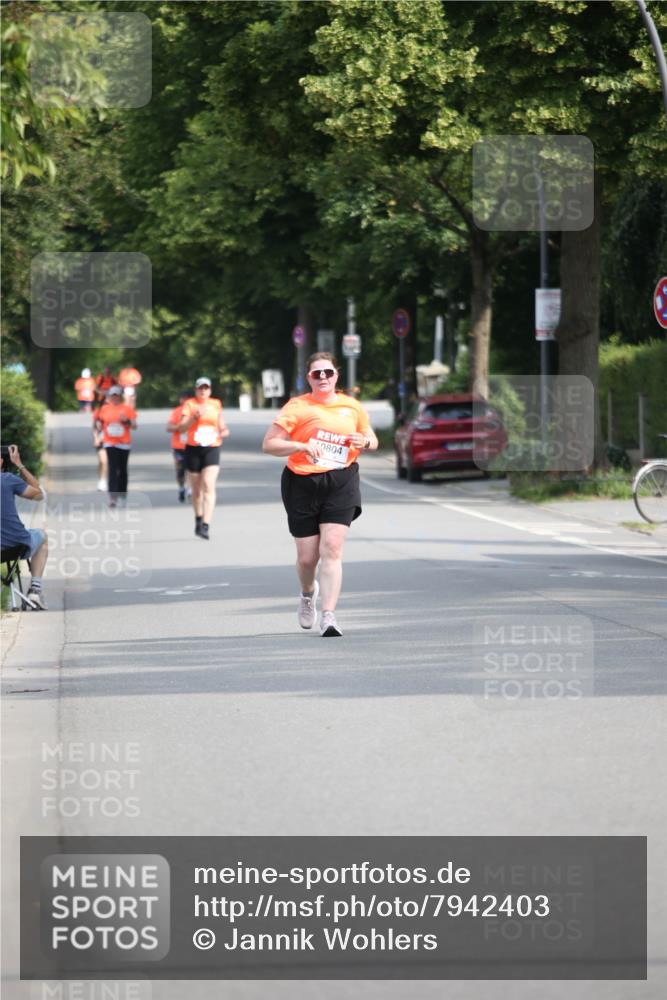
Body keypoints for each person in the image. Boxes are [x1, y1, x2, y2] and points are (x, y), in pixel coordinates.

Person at [262, 352, 378, 637]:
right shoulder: (297, 407)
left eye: (328, 372)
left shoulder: (352, 407)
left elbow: (371, 439)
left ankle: (329, 615)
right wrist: (300, 446)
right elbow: (270, 444)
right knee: (307, 558)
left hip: (341, 480)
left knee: (332, 549)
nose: (323, 377)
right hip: (302, 482)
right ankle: (306, 594)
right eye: (317, 374)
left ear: (336, 375)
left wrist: (365, 440)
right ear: (309, 379)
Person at [176, 377, 230, 539]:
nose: (203, 391)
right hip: (193, 448)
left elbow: (221, 424)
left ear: (210, 390)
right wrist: (194, 418)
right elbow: (181, 428)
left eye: (206, 388)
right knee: (197, 490)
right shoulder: (189, 405)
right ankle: (198, 518)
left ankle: (206, 524)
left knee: (208, 485)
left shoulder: (216, 404)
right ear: (196, 390)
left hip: (212, 448)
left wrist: (224, 430)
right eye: (200, 388)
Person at [1, 444, 48, 609]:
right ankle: (35, 590)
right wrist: (19, 464)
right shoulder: (7, 479)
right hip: (16, 545)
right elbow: (40, 495)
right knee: (42, 536)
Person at [95, 384, 137, 508]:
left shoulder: (127, 409)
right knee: (112, 469)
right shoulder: (104, 409)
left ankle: (122, 494)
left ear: (120, 396)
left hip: (124, 444)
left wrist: (126, 421)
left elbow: (134, 426)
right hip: (110, 443)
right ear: (109, 397)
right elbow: (99, 422)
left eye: (117, 396)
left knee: (122, 470)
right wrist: (98, 430)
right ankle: (113, 497)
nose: (115, 398)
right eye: (112, 396)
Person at [166, 390, 191, 503]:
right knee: (180, 470)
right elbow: (168, 427)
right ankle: (181, 488)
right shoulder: (176, 412)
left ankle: (190, 489)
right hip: (178, 446)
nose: (185, 400)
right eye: (183, 398)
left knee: (192, 469)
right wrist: (180, 427)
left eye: (187, 398)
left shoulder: (195, 411)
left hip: (192, 445)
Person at [91, 401, 108, 492]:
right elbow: (94, 427)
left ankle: (105, 479)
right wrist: (96, 438)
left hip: (113, 441)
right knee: (102, 461)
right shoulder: (98, 412)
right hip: (101, 440)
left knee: (108, 462)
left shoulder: (117, 411)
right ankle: (101, 480)